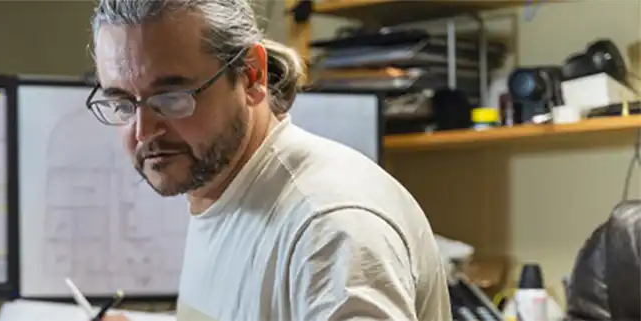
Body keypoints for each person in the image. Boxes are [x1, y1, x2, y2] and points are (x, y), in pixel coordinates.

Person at [86, 0, 452, 320]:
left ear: (251, 75)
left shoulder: (329, 227)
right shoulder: (221, 188)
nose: (143, 131)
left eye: (172, 97)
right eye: (121, 103)